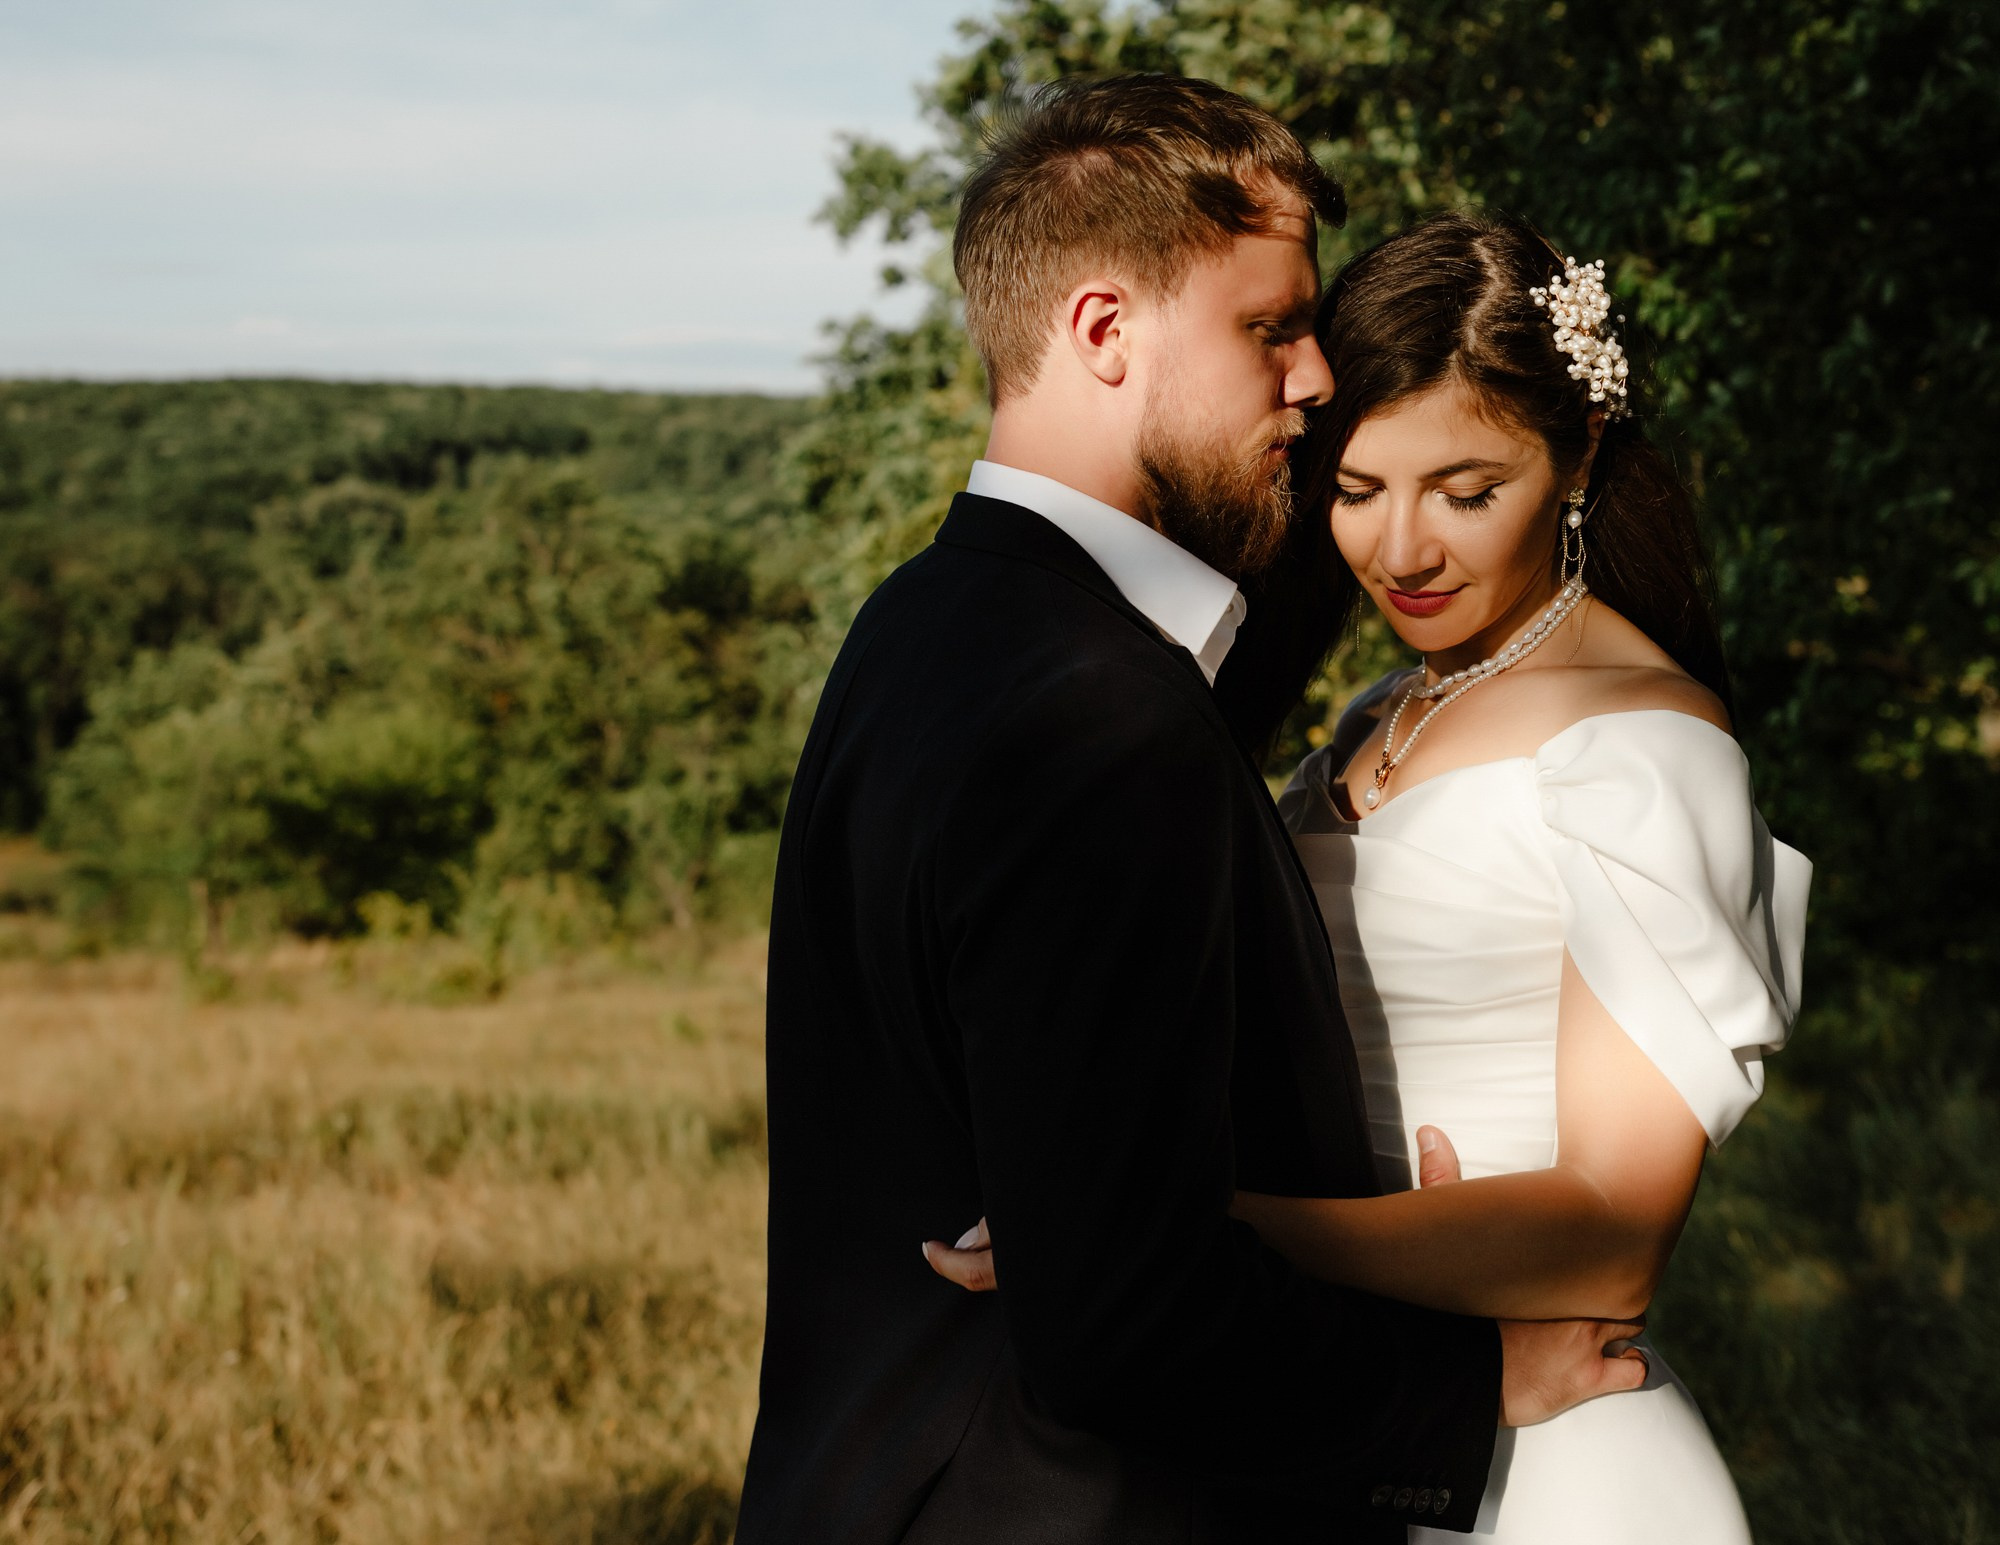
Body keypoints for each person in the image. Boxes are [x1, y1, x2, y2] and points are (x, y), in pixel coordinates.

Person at [736, 78, 1645, 1545]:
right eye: (1269, 329)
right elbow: (1119, 1316)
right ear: (1103, 333)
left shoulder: (917, 627)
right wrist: (1469, 1387)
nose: (1312, 380)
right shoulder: (1095, 720)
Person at [929, 208, 1812, 1542]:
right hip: (1363, 1424)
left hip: (1551, 1457)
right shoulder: (1378, 711)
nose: (1403, 548)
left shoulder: (1639, 743)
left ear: (1574, 459)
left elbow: (1613, 1232)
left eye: (1466, 489)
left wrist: (1197, 1234)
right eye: (1356, 487)